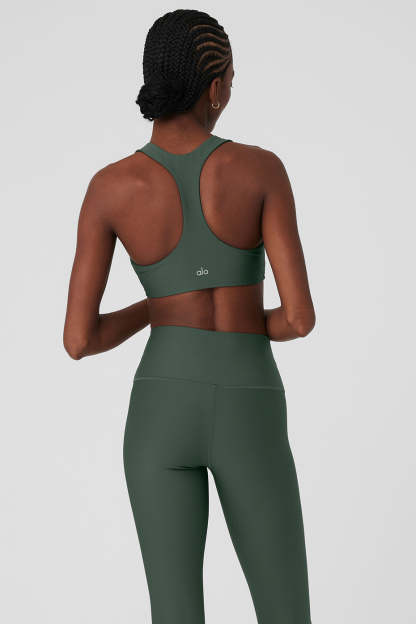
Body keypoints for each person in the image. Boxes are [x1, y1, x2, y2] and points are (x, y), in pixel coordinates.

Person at [63, 8, 316, 624]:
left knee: (174, 614)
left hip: (160, 406)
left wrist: (160, 307)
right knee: (286, 611)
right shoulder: (260, 168)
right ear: (216, 87)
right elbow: (298, 319)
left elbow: (79, 339)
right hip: (247, 399)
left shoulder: (109, 187)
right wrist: (240, 320)